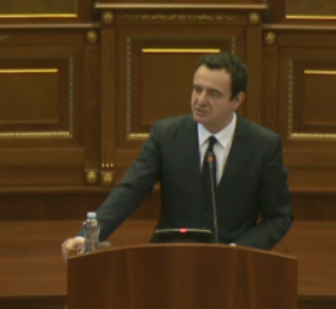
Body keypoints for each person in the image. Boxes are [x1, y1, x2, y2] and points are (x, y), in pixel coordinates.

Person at [62, 52, 293, 253]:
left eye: (213, 93)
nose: (200, 100)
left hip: (234, 266)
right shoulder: (166, 135)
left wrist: (238, 250)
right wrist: (87, 237)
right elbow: (131, 190)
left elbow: (279, 217)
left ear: (237, 100)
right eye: (197, 89)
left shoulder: (263, 145)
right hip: (170, 259)